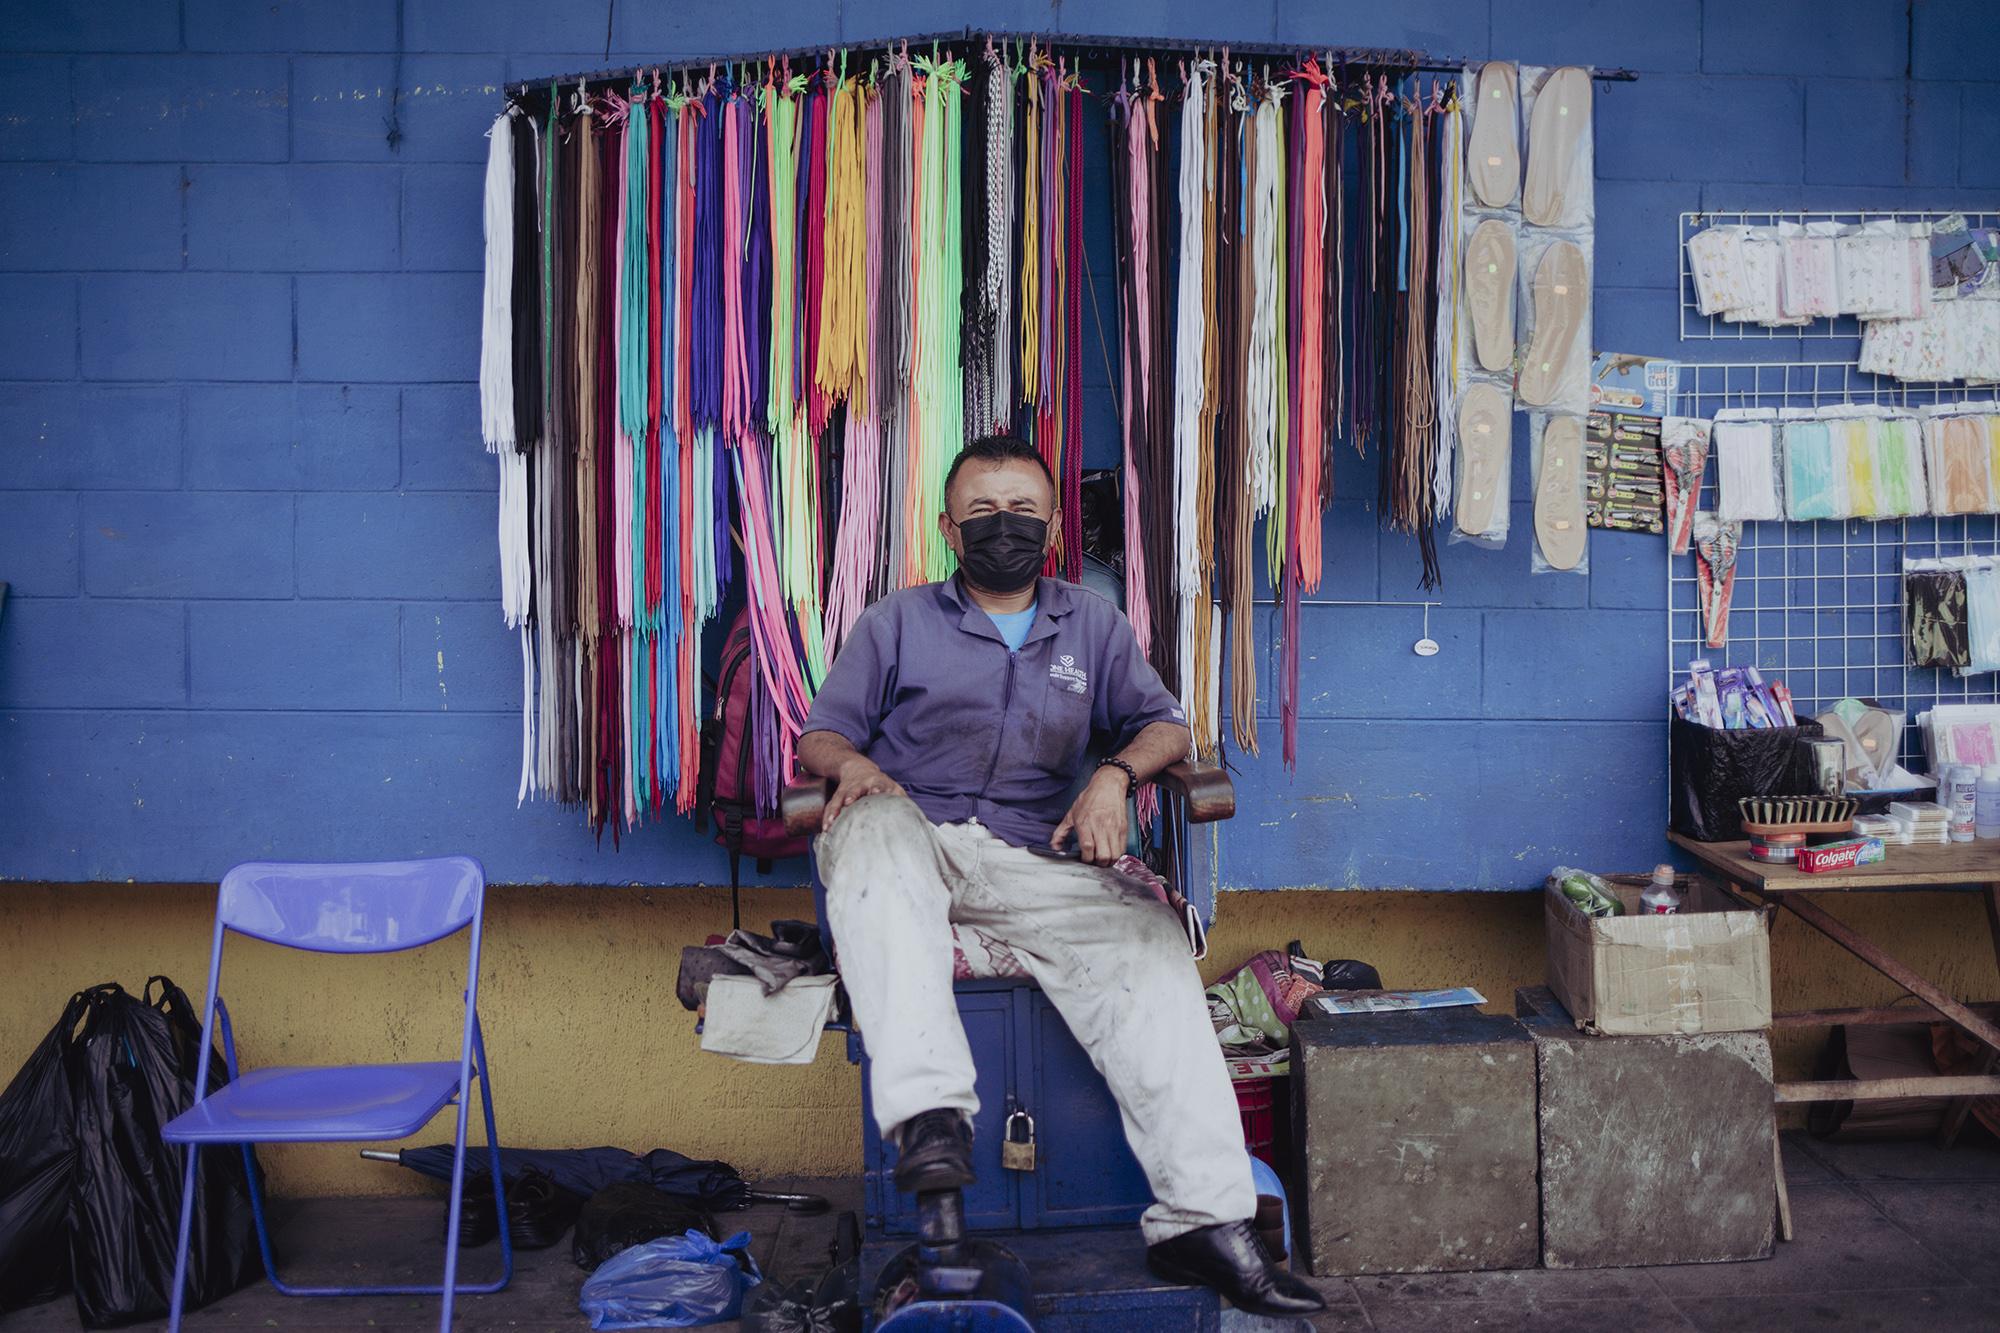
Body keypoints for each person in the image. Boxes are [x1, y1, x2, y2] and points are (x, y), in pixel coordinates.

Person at [798, 435, 1323, 1316]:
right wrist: (850, 767)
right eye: (981, 514)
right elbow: (821, 734)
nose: (1003, 527)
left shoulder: (1092, 623)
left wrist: (1115, 774)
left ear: (1051, 527)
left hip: (1031, 858)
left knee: (1151, 942)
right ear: (946, 527)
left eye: (1023, 513)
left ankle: (1205, 1221)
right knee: (878, 831)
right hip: (906, 838)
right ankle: (930, 1128)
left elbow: (1167, 726)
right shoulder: (898, 620)